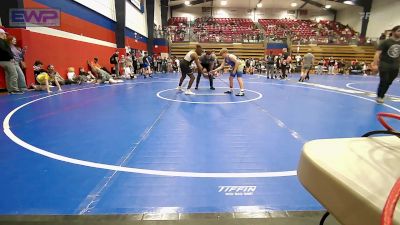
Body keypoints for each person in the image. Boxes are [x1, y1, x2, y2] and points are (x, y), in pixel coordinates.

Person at [371, 25, 400, 104]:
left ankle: (381, 94)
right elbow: (377, 53)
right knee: (384, 80)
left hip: (395, 65)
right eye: (398, 31)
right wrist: (375, 64)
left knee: (389, 82)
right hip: (385, 64)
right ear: (393, 32)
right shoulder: (386, 42)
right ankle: (380, 96)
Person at [0, 29, 23, 94]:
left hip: (3, 61)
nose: (5, 35)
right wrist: (11, 57)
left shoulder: (3, 41)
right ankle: (14, 89)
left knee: (9, 75)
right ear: (1, 34)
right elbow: (4, 50)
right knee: (14, 74)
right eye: (4, 34)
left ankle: (10, 90)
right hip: (6, 60)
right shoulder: (1, 41)